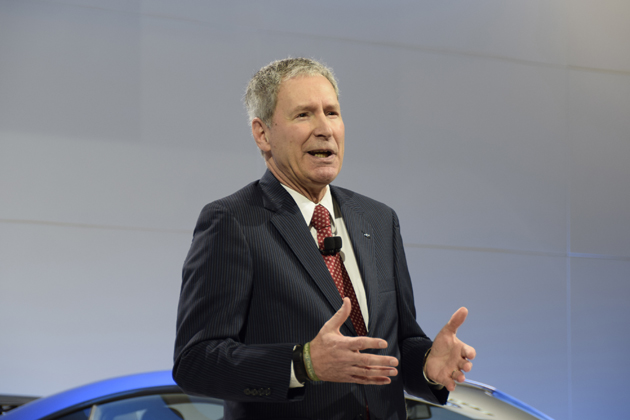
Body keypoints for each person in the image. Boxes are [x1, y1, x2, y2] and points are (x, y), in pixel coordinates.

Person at [173, 57, 476, 420]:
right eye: (303, 115)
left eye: (332, 113)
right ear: (263, 134)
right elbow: (195, 361)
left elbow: (397, 343)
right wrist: (303, 364)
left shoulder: (379, 220)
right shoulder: (234, 221)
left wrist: (427, 363)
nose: (324, 129)